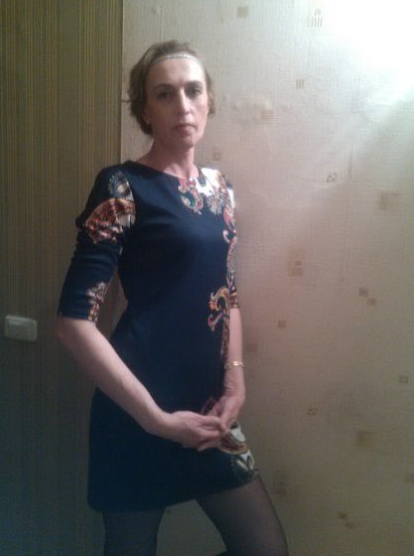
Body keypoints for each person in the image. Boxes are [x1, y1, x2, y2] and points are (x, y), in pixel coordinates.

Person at [56, 40, 289, 556]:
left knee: (265, 548)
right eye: (164, 94)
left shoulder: (221, 189)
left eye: (193, 91)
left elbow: (228, 296)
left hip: (209, 411)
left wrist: (235, 380)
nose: (182, 105)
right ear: (145, 110)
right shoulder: (121, 187)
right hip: (136, 409)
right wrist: (154, 419)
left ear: (210, 101)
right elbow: (73, 322)